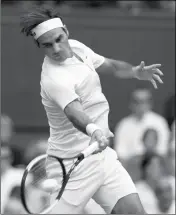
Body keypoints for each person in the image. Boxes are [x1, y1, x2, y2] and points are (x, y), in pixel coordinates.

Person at [20, 6, 164, 214]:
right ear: (40, 46)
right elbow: (73, 112)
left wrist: (134, 72)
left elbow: (110, 66)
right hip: (71, 166)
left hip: (101, 156)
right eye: (48, 45)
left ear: (66, 31)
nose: (57, 48)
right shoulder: (53, 78)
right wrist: (93, 130)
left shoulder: (77, 48)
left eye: (59, 39)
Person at [113, 87, 170, 164]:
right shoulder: (123, 125)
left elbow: (163, 151)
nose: (140, 105)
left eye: (144, 101)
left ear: (150, 103)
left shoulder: (160, 122)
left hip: (155, 167)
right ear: (131, 104)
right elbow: (120, 155)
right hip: (131, 168)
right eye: (137, 101)